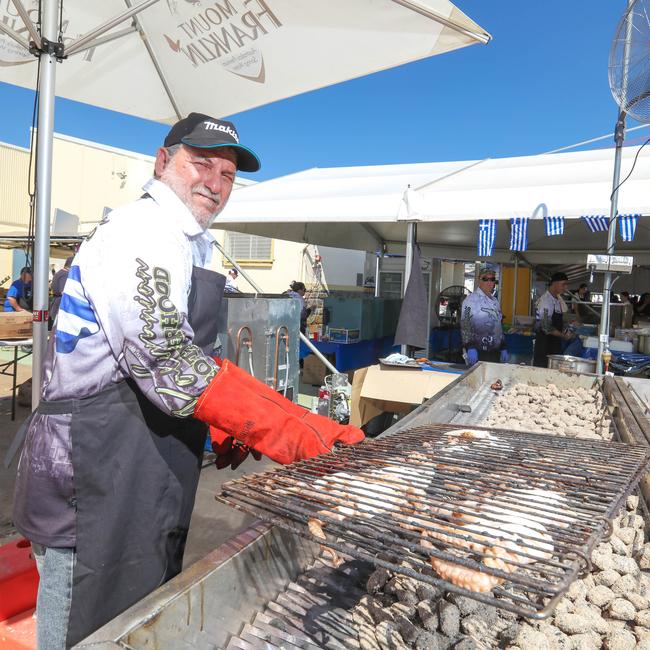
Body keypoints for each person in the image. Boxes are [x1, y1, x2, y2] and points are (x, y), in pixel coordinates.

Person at [12, 112, 364, 649]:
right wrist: (291, 431)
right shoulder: (141, 232)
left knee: (139, 614)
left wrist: (223, 424)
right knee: (89, 628)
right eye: (201, 164)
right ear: (162, 161)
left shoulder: (189, 241)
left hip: (148, 459)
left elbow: (192, 352)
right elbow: (170, 361)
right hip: (93, 467)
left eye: (227, 175)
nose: (215, 184)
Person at [460, 266, 508, 365]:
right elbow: (465, 325)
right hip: (478, 351)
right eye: (485, 279)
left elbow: (499, 325)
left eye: (492, 279)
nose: (489, 282)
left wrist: (503, 346)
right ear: (479, 281)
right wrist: (470, 347)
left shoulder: (495, 301)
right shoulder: (470, 301)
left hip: (495, 351)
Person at [533, 272, 578, 367]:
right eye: (563, 284)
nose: (565, 287)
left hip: (554, 345)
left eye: (566, 284)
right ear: (554, 283)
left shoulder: (557, 299)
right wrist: (563, 335)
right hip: (544, 345)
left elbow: (557, 321)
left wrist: (568, 325)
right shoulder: (546, 301)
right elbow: (545, 327)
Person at [49, 256, 74, 325]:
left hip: (56, 301)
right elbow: (63, 291)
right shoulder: (65, 274)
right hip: (60, 303)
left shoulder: (60, 272)